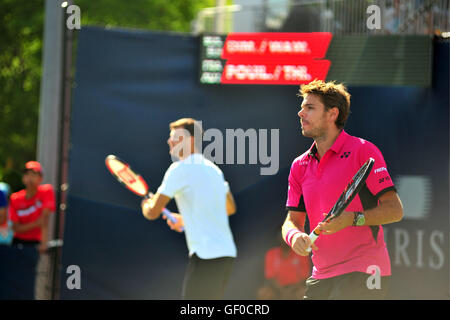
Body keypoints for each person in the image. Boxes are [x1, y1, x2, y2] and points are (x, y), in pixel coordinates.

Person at [281, 80, 403, 300]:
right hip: (321, 273)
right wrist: (294, 236)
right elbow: (292, 221)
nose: (301, 113)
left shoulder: (363, 151)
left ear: (332, 114)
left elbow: (395, 210)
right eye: (302, 107)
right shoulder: (299, 165)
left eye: (310, 107)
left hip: (364, 268)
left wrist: (352, 219)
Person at [141, 118, 237, 300]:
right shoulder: (214, 170)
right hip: (227, 255)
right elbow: (229, 208)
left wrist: (146, 205)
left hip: (206, 257)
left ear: (191, 140)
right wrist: (188, 219)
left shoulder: (178, 170)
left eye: (175, 137)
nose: (169, 141)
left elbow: (153, 212)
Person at [7, 161, 56, 299]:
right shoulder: (15, 198)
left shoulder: (46, 191)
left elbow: (44, 220)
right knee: (13, 279)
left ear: (40, 178)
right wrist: (36, 223)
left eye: (34, 174)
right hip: (17, 243)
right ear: (23, 178)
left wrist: (44, 242)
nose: (30, 178)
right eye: (27, 174)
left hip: (34, 244)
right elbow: (16, 227)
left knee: (30, 281)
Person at [257, 233, 311, 300]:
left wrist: (290, 290)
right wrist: (282, 291)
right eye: (281, 236)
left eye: (285, 235)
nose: (283, 239)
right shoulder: (271, 253)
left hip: (296, 288)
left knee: (304, 292)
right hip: (277, 289)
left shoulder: (301, 252)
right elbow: (270, 277)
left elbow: (304, 276)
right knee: (264, 293)